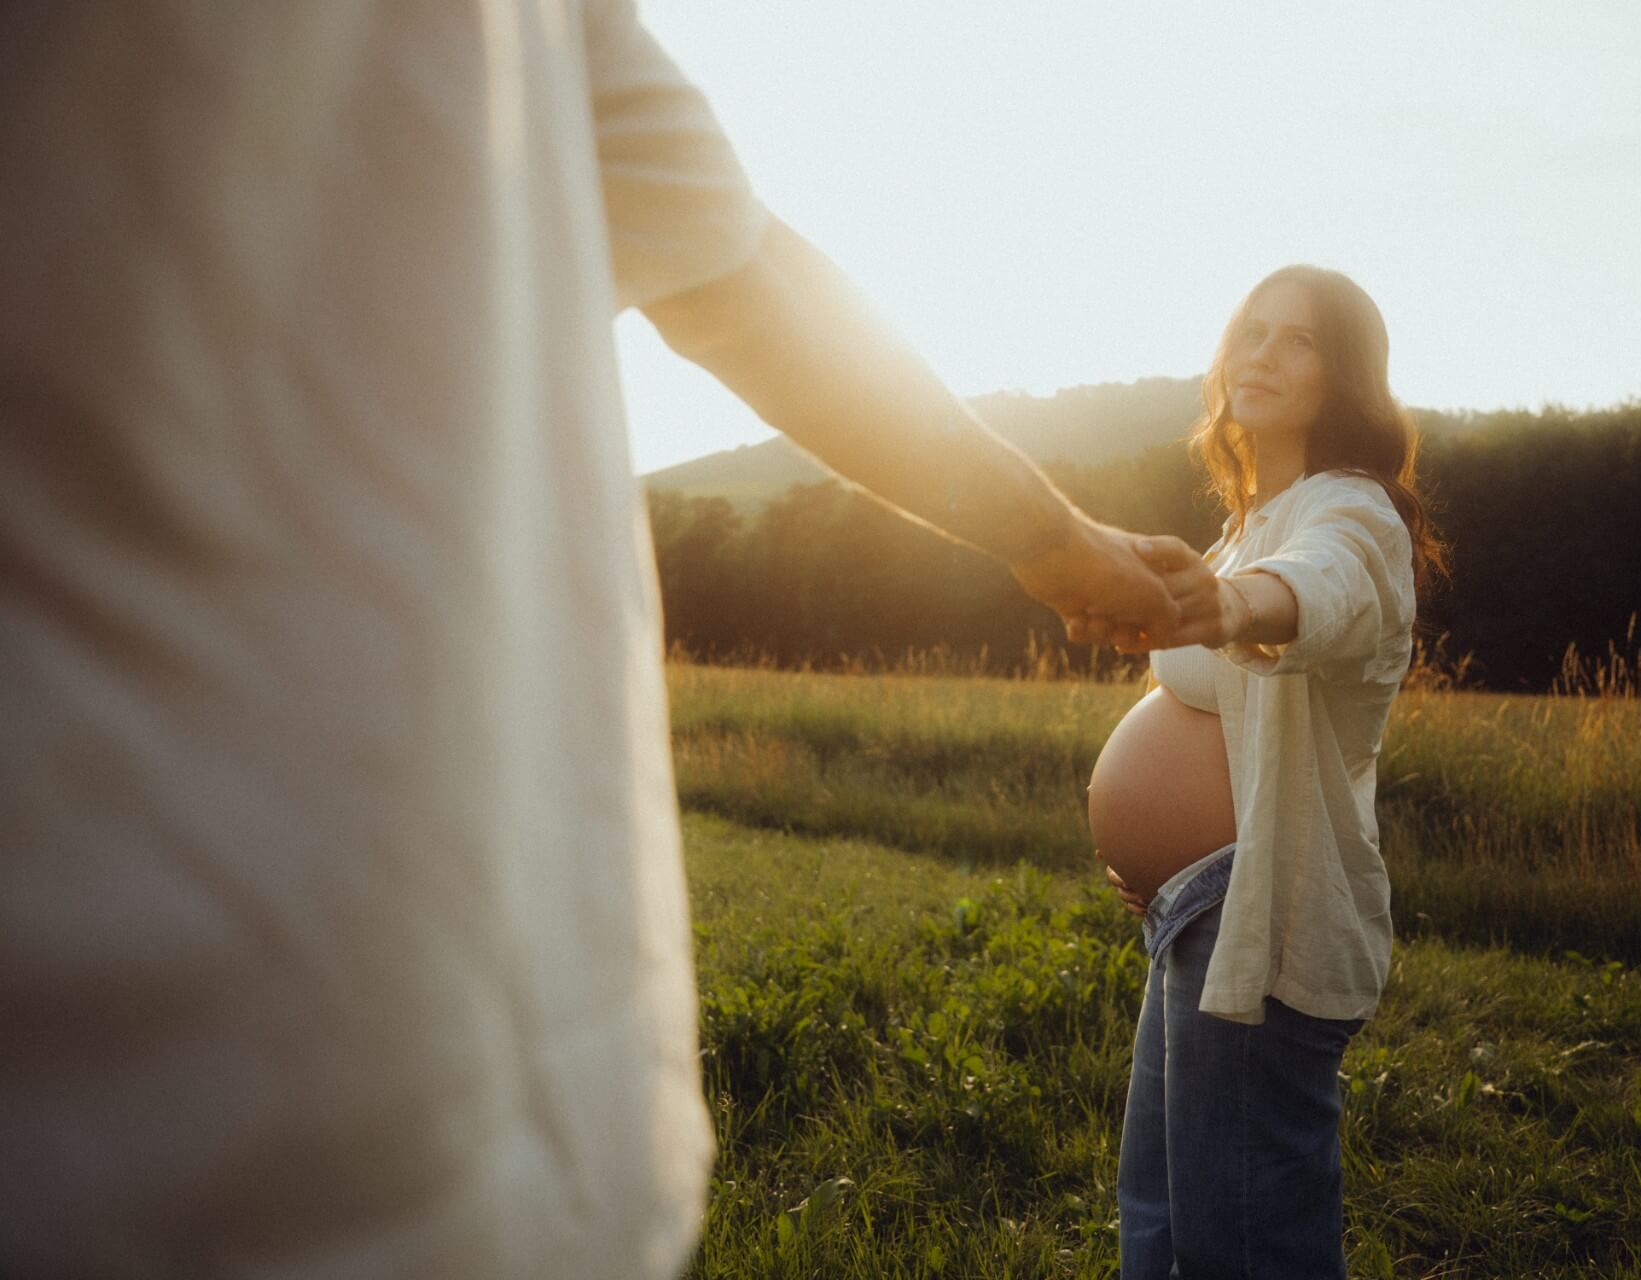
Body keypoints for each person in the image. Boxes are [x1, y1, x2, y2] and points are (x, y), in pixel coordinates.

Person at [0, 5, 1180, 1276]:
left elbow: (744, 280)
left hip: (468, 1105)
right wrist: (1062, 546)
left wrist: (1060, 543)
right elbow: (750, 289)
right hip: (239, 1099)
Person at [1082, 265, 1448, 1277]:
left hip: (1263, 908)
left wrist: (1229, 607)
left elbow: (1312, 591)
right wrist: (1153, 853)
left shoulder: (1353, 513)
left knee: (1246, 1243)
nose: (1262, 353)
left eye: (1298, 340)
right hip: (1195, 906)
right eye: (1252, 331)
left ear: (1346, 378)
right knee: (1160, 1220)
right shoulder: (1244, 523)